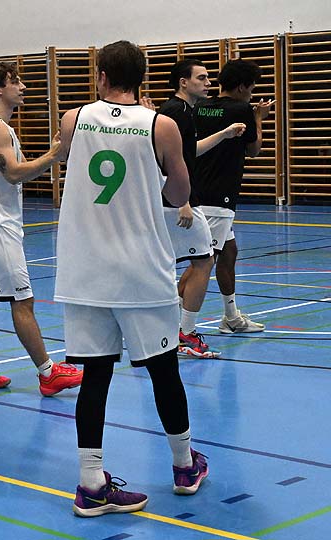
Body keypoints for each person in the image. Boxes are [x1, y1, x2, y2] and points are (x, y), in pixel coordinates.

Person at [55, 41, 209, 517]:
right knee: (164, 371)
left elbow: (65, 162)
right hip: (140, 271)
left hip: (85, 271)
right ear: (142, 78)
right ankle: (183, 465)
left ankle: (90, 482)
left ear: (100, 76)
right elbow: (179, 193)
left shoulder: (73, 118)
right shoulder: (160, 125)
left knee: (95, 376)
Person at [0, 62, 83, 394]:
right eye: (15, 81)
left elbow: (18, 171)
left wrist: (53, 155)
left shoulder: (3, 128)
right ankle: (48, 373)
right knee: (23, 300)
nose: (23, 86)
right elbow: (14, 173)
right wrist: (54, 155)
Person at [156, 59, 247, 357]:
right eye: (202, 78)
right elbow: (163, 160)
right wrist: (182, 200)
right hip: (178, 201)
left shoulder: (183, 111)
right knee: (203, 261)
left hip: (177, 199)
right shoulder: (177, 113)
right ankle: (185, 332)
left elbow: (188, 152)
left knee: (188, 262)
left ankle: (173, 331)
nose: (209, 83)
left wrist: (224, 134)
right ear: (183, 82)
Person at [193, 59, 274, 334]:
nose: (251, 93)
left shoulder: (201, 106)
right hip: (219, 197)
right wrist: (258, 118)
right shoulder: (242, 110)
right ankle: (179, 328)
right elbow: (254, 150)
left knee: (229, 252)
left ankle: (231, 317)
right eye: (251, 88)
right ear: (241, 87)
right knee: (202, 264)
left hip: (198, 189)